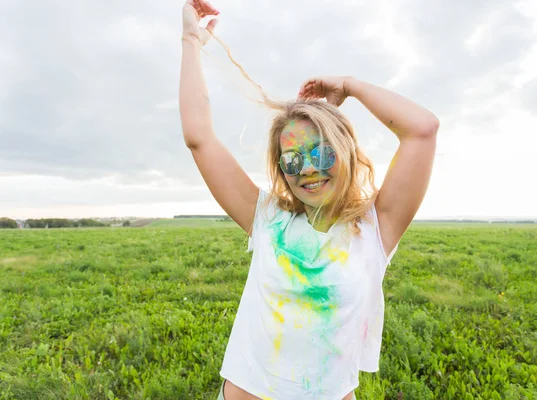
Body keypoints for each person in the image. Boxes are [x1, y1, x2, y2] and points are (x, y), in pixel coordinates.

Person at [179, 1, 440, 399]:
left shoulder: (376, 227)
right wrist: (191, 38)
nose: (309, 170)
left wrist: (349, 86)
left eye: (322, 153)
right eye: (293, 160)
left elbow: (422, 128)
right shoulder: (267, 217)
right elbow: (199, 137)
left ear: (346, 152)